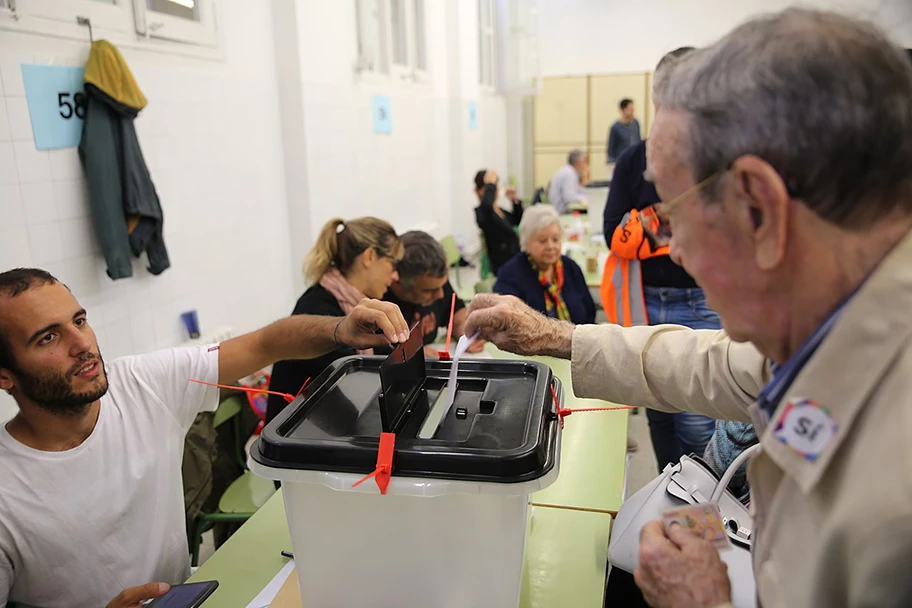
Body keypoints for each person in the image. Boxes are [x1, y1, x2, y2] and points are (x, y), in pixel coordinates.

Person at [466, 9, 912, 607]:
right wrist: (554, 337)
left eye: (674, 219)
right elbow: (712, 363)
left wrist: (705, 603)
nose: (672, 251)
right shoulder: (832, 326)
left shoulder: (892, 508)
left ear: (758, 209)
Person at [0, 267, 408, 608]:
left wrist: (341, 328)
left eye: (80, 321)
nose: (82, 345)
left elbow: (267, 342)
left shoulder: (141, 383)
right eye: (48, 338)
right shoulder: (9, 492)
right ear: (5, 375)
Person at [604, 47, 745, 473]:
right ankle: (674, 494)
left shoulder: (721, 157)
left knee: (700, 422)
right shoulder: (634, 159)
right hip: (647, 299)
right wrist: (657, 220)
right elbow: (614, 232)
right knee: (658, 412)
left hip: (703, 299)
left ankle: (700, 507)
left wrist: (655, 221)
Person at [267, 217, 402, 423]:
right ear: (370, 256)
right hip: (297, 438)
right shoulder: (319, 309)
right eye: (392, 264)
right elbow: (350, 403)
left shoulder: (353, 302)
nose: (395, 276)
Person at [382, 231, 486, 357]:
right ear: (397, 282)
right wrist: (406, 355)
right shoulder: (380, 300)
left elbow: (456, 312)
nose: (440, 295)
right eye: (428, 290)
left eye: (443, 285)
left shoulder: (435, 281)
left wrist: (464, 333)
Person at [494, 205, 595, 325]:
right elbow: (507, 325)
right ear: (526, 242)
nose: (550, 246)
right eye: (542, 241)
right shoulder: (509, 276)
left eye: (556, 239)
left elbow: (589, 313)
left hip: (577, 341)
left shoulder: (570, 268)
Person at [473, 168, 524, 276]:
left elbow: (518, 220)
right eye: (489, 187)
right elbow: (486, 206)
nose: (495, 189)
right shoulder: (482, 213)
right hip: (503, 265)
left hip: (515, 257)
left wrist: (514, 201)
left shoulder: (499, 210)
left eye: (495, 185)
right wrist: (490, 184)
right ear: (479, 191)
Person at [547, 149, 589, 214]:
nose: (586, 166)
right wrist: (587, 199)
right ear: (579, 162)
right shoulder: (569, 174)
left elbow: (579, 191)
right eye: (585, 162)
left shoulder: (570, 171)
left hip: (563, 210)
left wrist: (584, 178)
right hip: (561, 213)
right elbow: (570, 197)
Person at [607, 98, 641, 164]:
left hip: (634, 161)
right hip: (621, 162)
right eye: (630, 110)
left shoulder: (636, 123)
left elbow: (638, 141)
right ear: (623, 110)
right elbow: (610, 150)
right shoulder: (615, 128)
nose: (633, 112)